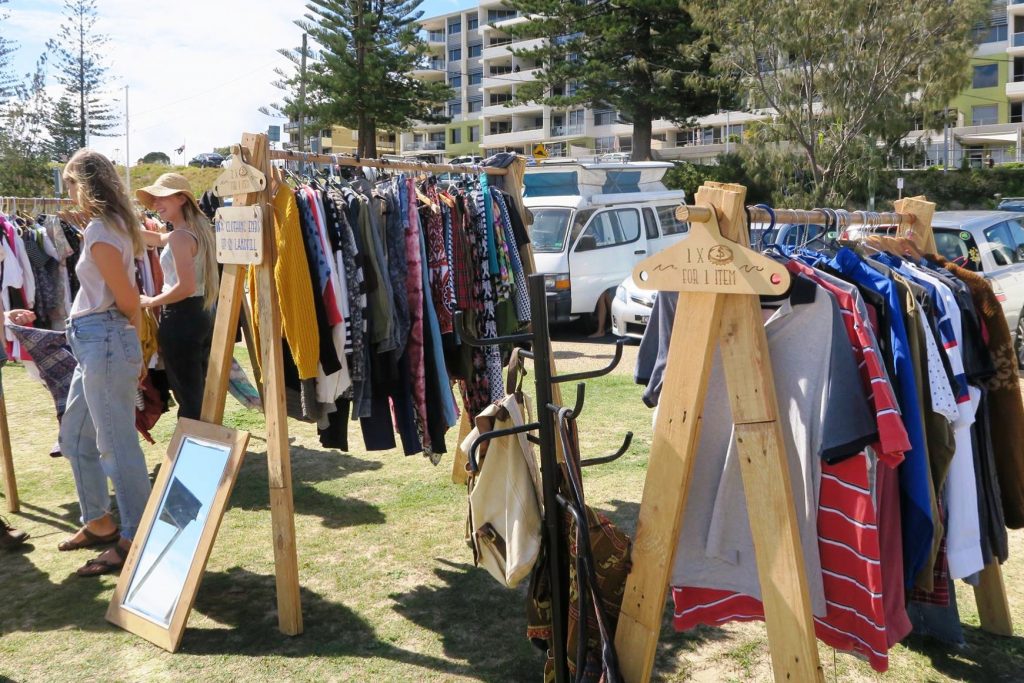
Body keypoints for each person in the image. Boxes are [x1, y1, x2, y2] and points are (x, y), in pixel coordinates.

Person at [57, 148, 151, 577]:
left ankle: (135, 536)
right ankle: (99, 521)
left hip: (106, 339)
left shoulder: (101, 228)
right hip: (97, 340)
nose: (68, 194)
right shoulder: (110, 226)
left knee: (115, 445)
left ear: (86, 184)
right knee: (76, 437)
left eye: (71, 184)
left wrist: (134, 346)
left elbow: (128, 300)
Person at [135, 173, 219, 420]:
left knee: (188, 393)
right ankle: (206, 441)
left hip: (182, 316)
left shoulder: (182, 236)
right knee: (196, 388)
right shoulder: (194, 231)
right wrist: (125, 226)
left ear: (182, 198)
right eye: (154, 200)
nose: (156, 205)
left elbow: (184, 286)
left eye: (162, 198)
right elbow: (158, 238)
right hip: (199, 314)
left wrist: (151, 301)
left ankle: (196, 448)